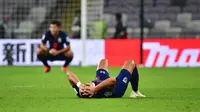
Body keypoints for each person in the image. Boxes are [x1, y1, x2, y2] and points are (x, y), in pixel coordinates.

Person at [67, 59, 145, 98]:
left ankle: (135, 91)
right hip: (116, 89)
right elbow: (113, 80)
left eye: (85, 87)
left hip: (101, 81)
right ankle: (135, 91)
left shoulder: (81, 92)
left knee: (103, 61)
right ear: (92, 92)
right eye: (87, 89)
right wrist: (95, 88)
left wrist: (79, 85)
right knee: (131, 63)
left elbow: (69, 75)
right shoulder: (95, 90)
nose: (85, 88)